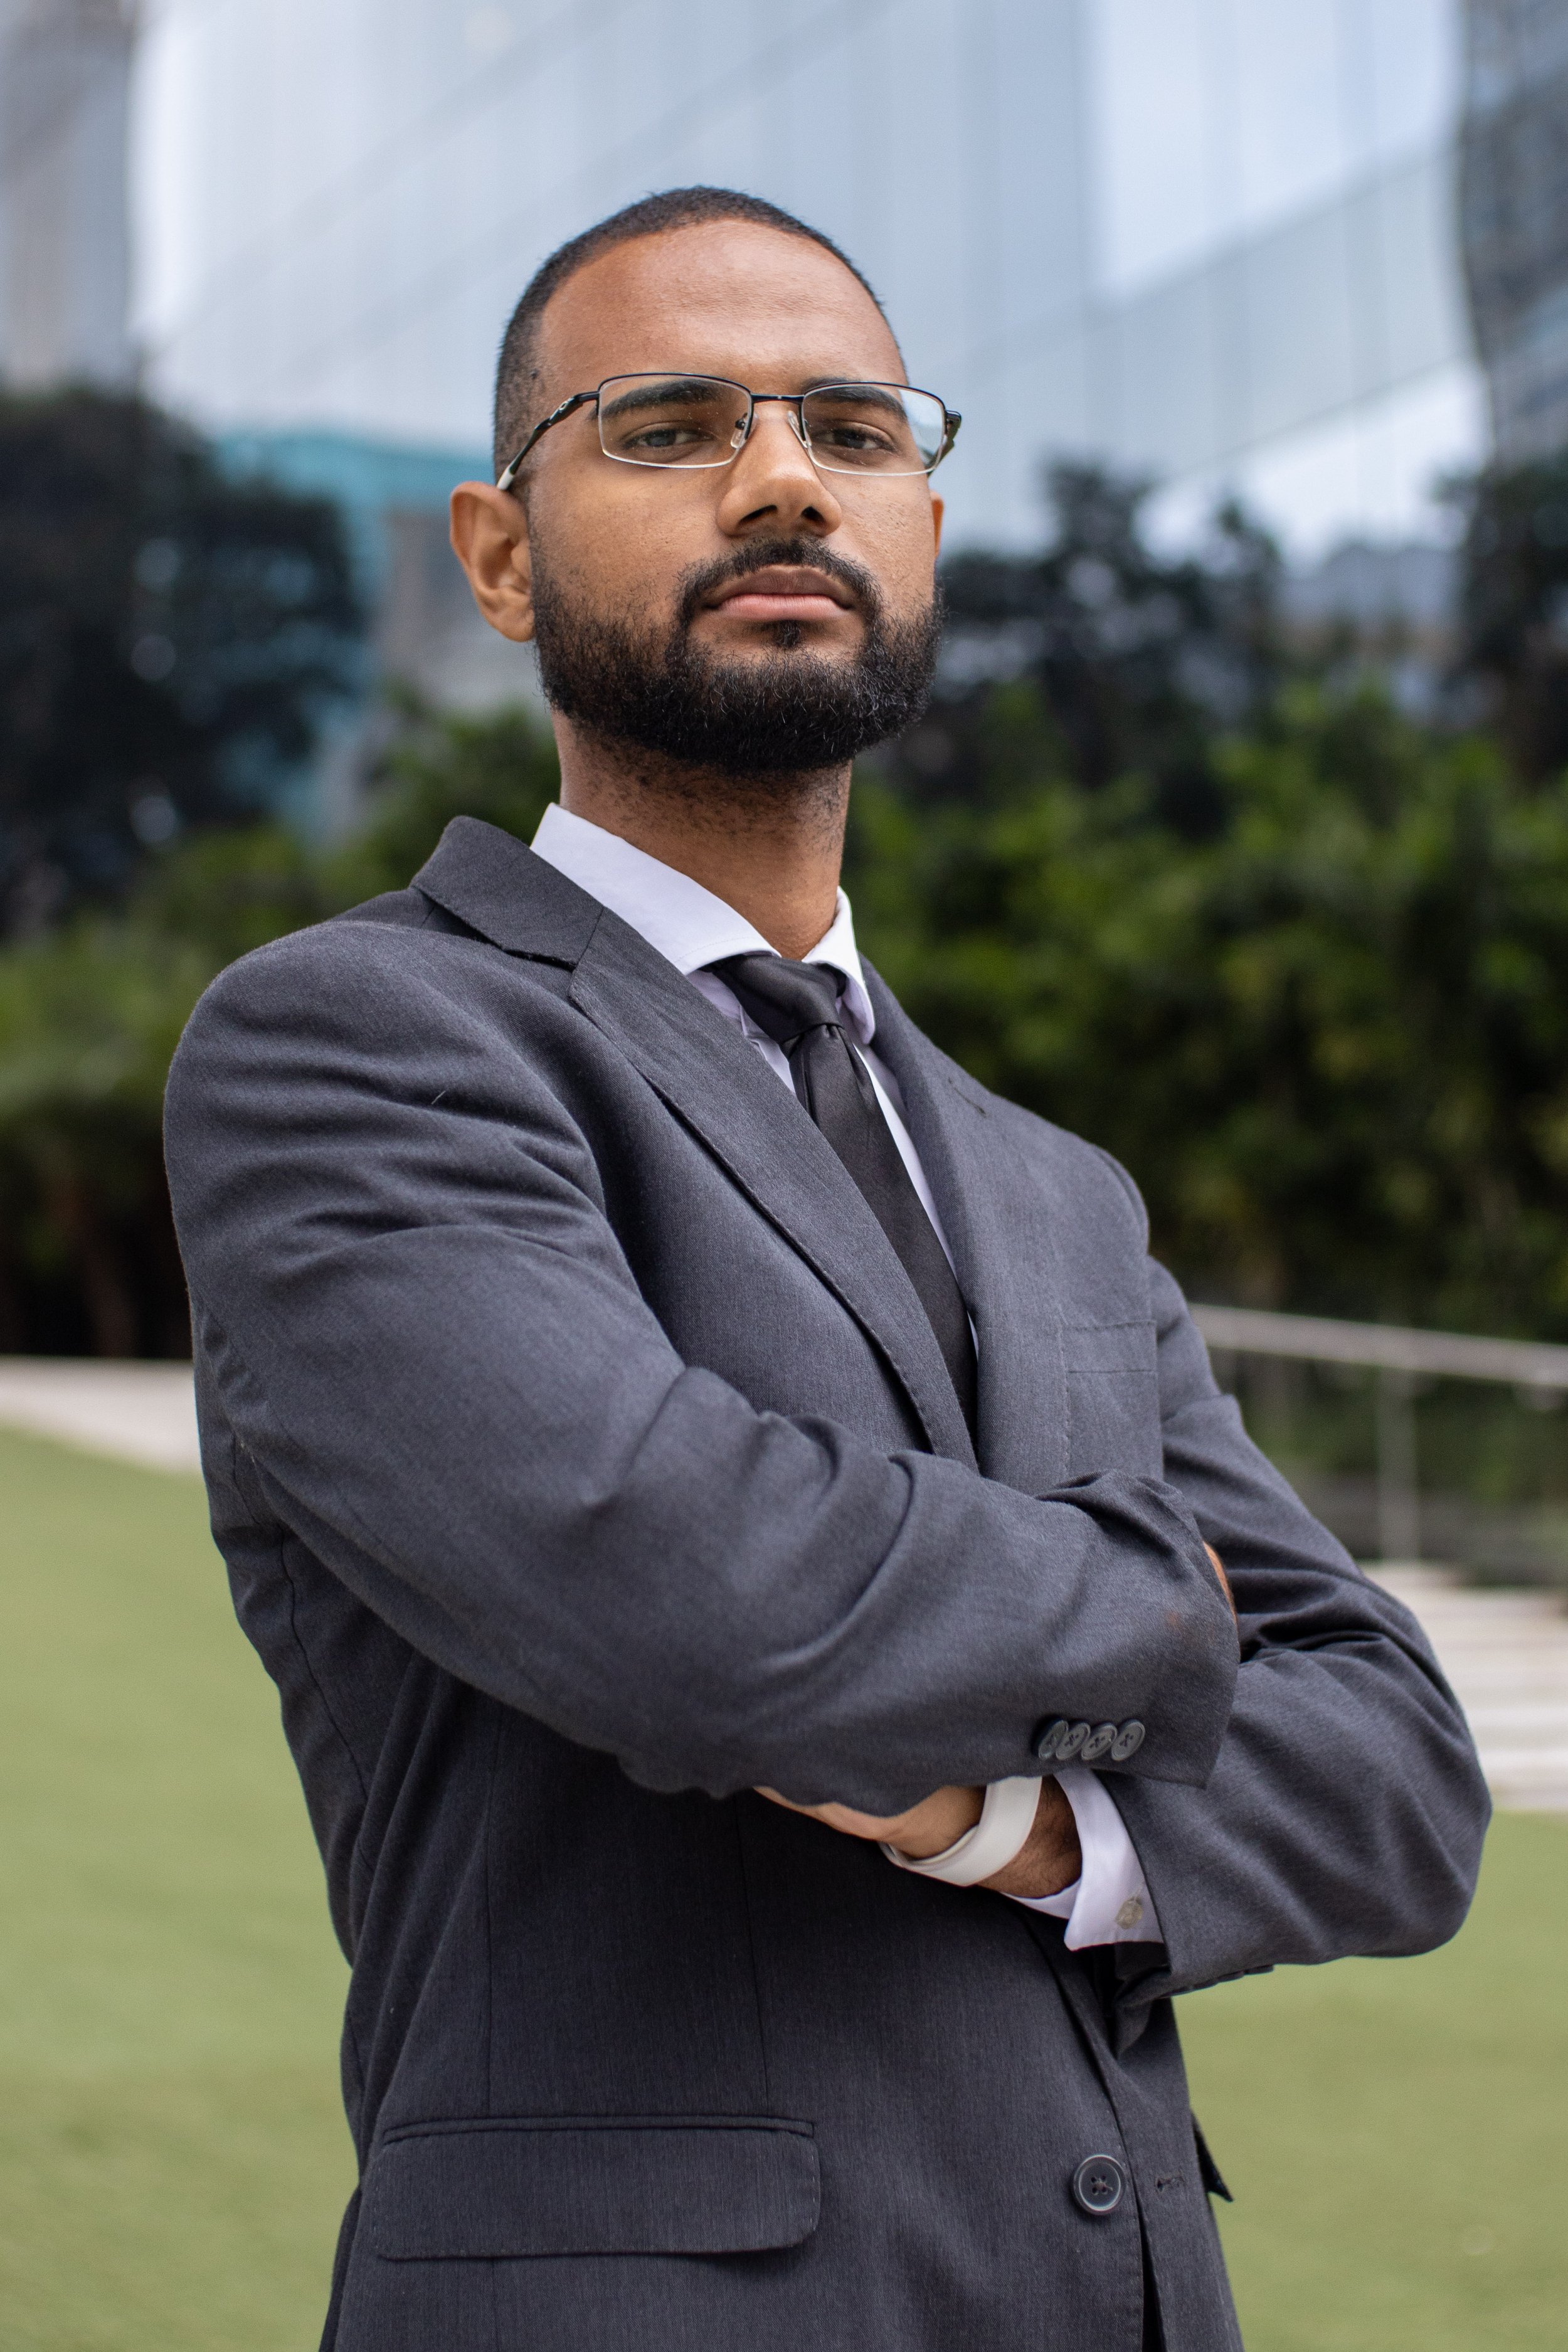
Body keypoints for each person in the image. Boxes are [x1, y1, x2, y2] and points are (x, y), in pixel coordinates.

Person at [163, 187, 1490, 2352]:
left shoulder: (1055, 1188)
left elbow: (1403, 1777)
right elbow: (681, 1589)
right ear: (499, 555)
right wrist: (1164, 1604)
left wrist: (1009, 1827)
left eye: (852, 431)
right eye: (669, 423)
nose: (782, 477)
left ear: (922, 535)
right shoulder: (355, 1043)